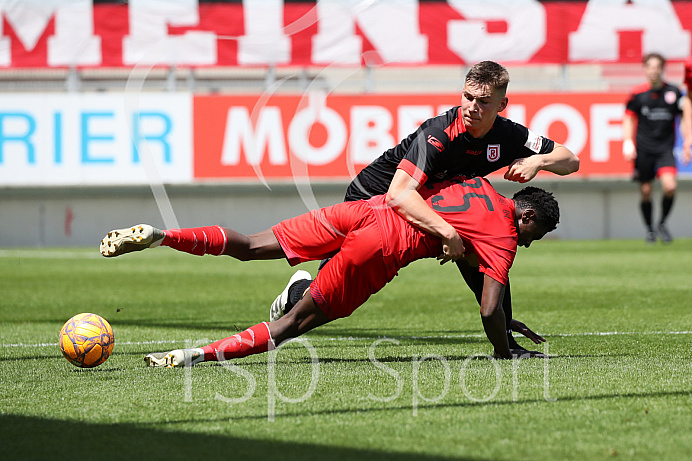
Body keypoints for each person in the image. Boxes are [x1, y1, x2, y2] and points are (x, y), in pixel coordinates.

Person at [269, 60, 579, 354]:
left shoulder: (510, 135)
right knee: (329, 296)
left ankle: (505, 341)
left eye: (483, 101)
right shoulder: (440, 131)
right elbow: (400, 192)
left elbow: (570, 160)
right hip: (375, 197)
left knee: (492, 256)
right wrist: (447, 233)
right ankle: (295, 294)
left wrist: (539, 161)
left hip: (423, 205)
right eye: (468, 97)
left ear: (501, 105)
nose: (472, 106)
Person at [98, 176, 560, 367]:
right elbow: (488, 307)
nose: (525, 243)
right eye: (531, 235)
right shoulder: (502, 236)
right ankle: (192, 356)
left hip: (364, 211)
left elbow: (462, 247)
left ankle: (162, 235)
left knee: (253, 245)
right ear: (525, 217)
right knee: (292, 324)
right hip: (380, 249)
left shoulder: (476, 185)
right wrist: (504, 348)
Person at [622, 52, 691, 244]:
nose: (653, 71)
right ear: (645, 69)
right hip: (644, 150)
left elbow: (684, 117)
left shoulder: (673, 92)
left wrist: (687, 142)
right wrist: (627, 141)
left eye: (657, 67)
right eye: (650, 67)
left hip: (664, 150)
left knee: (670, 186)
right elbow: (628, 118)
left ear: (662, 69)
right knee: (645, 191)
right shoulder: (637, 94)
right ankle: (650, 230)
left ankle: (662, 223)